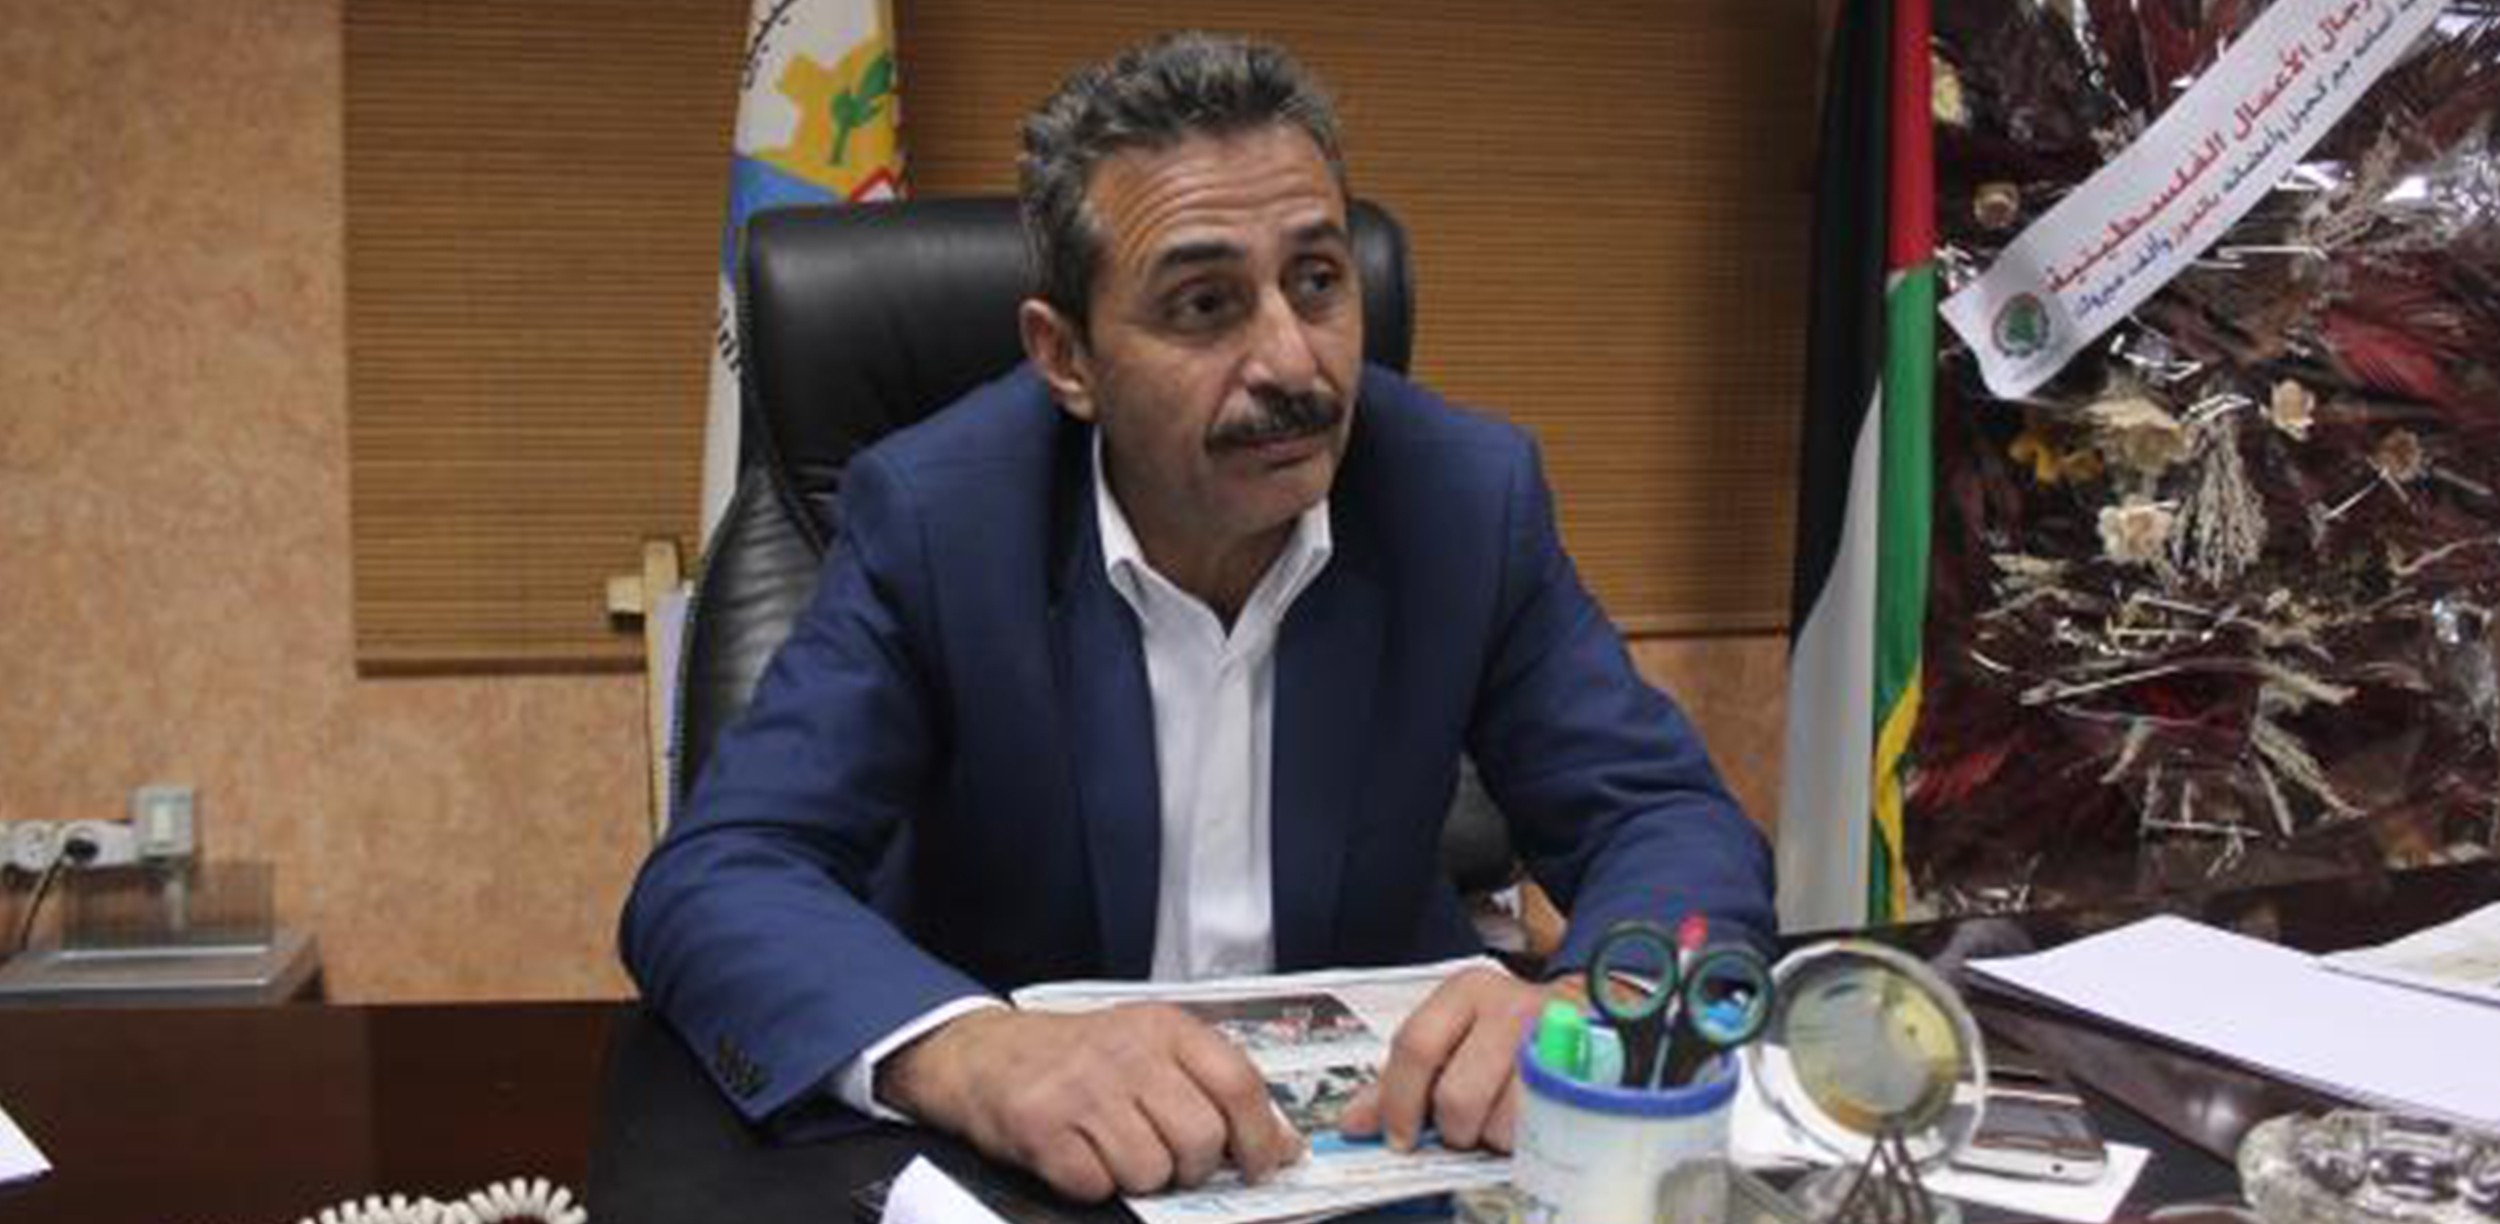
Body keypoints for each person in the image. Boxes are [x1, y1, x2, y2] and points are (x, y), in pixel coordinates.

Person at [620, 31, 1774, 1204]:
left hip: (1379, 1168)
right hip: (1043, 1178)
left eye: (1317, 283)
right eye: (1205, 305)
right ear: (1065, 359)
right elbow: (720, 876)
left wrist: (1592, 1013)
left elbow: (1665, 820)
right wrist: (974, 1057)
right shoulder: (939, 518)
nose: (1292, 362)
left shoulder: (1461, 498)